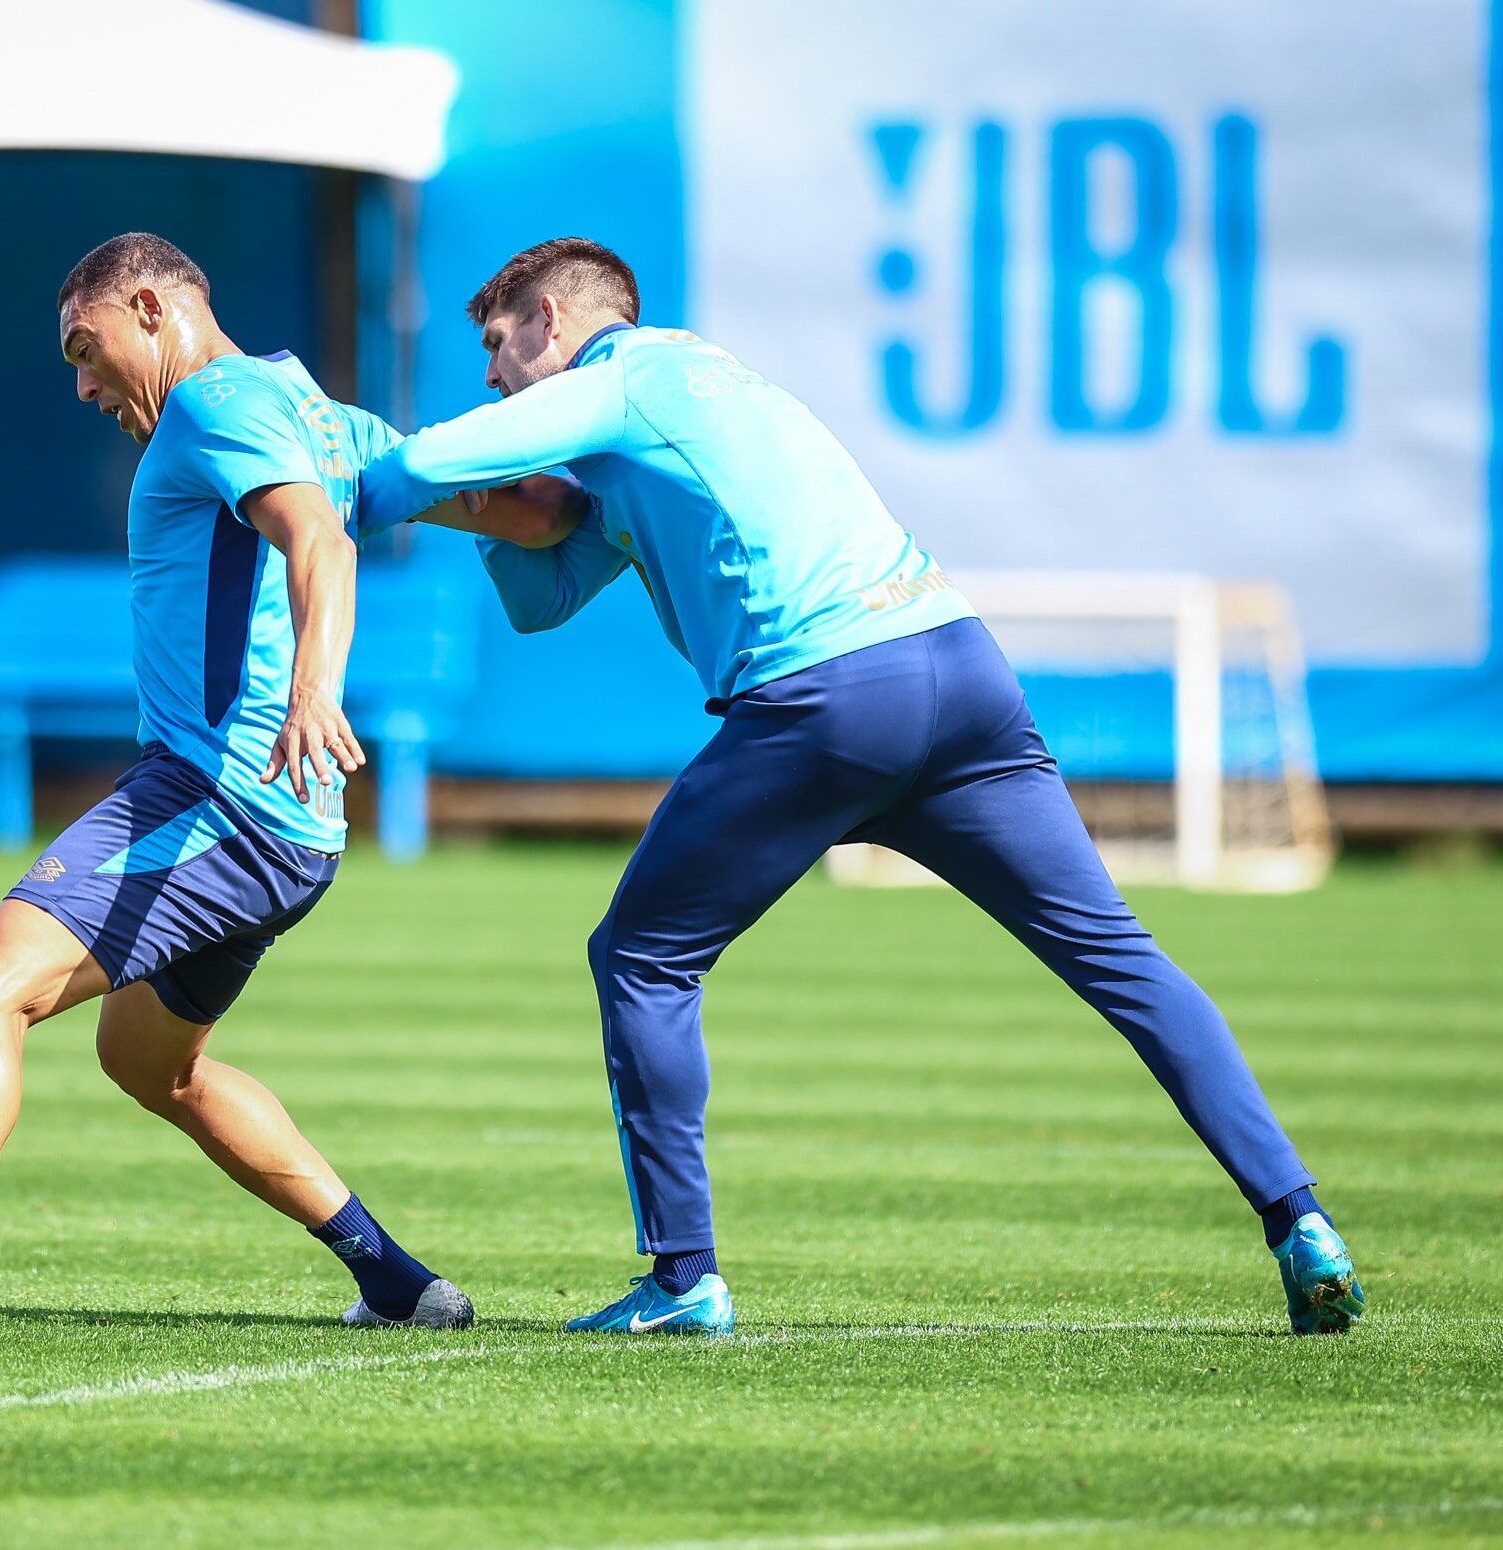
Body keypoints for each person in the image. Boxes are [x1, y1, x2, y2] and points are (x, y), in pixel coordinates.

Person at [358, 237, 1365, 1338]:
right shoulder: (691, 391)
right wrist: (481, 508)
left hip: (827, 696)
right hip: (956, 668)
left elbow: (410, 468)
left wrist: (341, 465)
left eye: (499, 350)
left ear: (549, 318)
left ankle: (685, 1278)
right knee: (1118, 959)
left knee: (641, 956)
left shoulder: (618, 383)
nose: (493, 379)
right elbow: (541, 594)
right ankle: (1299, 1219)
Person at [0, 232, 542, 1351]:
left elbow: (317, 535)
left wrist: (313, 689)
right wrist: (605, 493)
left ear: (148, 306)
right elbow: (521, 511)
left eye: (86, 349)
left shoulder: (213, 403)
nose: (79, 384)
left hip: (220, 796)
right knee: (147, 1063)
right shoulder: (313, 413)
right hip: (285, 829)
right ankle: (396, 1279)